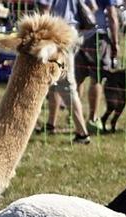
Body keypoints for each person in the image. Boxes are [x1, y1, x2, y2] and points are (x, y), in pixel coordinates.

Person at [36, 0, 92, 144]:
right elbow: (93, 6)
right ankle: (51, 123)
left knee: (66, 84)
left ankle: (82, 133)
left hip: (60, 34)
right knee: (55, 79)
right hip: (73, 31)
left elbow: (45, 9)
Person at [75, 0, 122, 132]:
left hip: (79, 35)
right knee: (96, 78)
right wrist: (115, 42)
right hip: (98, 37)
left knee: (77, 79)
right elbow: (112, 15)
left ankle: (75, 116)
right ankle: (93, 119)